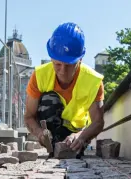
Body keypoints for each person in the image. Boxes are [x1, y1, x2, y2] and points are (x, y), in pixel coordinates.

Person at [24, 22, 105, 159]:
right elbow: (29, 116)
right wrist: (39, 133)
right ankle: (54, 147)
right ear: (51, 57)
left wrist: (81, 136)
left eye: (69, 65)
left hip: (77, 132)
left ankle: (71, 148)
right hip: (51, 129)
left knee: (75, 143)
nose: (62, 71)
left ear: (80, 59)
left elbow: (98, 122)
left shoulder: (93, 81)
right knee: (49, 99)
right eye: (57, 64)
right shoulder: (39, 76)